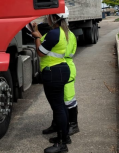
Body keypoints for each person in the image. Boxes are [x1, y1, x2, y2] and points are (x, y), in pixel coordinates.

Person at [32, 11, 71, 153]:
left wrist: (36, 37)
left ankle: (62, 144)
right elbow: (48, 45)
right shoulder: (61, 32)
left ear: (54, 18)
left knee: (58, 107)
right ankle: (64, 137)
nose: (47, 17)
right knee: (61, 105)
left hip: (54, 72)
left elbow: (41, 52)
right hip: (60, 70)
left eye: (49, 15)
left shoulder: (54, 33)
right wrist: (38, 33)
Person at [42, 14, 80, 142]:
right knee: (59, 101)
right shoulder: (64, 33)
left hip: (63, 66)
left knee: (68, 100)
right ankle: (57, 125)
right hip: (63, 66)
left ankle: (73, 125)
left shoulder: (65, 35)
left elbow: (48, 49)